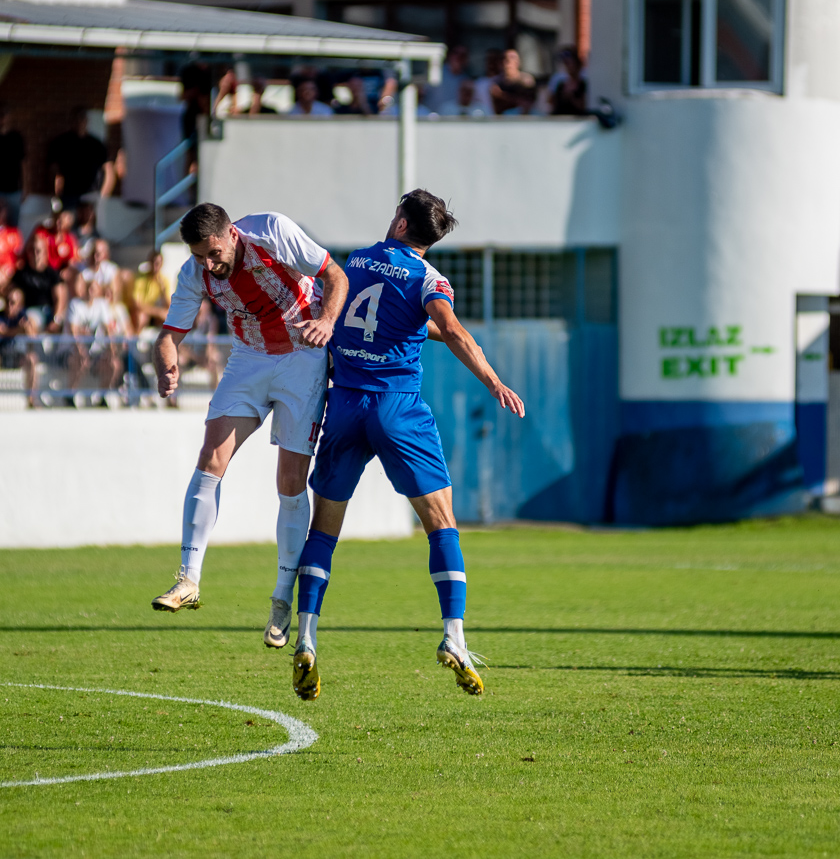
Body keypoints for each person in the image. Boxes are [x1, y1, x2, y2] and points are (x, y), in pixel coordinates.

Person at [285, 190, 523, 701]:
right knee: (442, 521)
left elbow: (382, 318)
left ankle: (306, 637)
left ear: (399, 223)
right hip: (397, 408)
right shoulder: (429, 279)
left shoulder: (356, 261)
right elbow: (454, 330)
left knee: (324, 527)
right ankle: (455, 638)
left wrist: (424, 329)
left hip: (345, 404)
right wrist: (493, 380)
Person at [148, 204, 350, 624]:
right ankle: (188, 579)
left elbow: (336, 276)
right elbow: (168, 336)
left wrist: (328, 321)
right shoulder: (194, 272)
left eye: (213, 253)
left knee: (290, 481)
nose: (208, 264)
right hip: (249, 359)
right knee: (210, 458)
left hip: (303, 356)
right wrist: (166, 364)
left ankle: (282, 598)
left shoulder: (272, 232)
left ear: (231, 235)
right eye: (199, 256)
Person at [47, 107, 112, 208]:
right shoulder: (61, 142)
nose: (79, 123)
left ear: (86, 121)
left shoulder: (96, 144)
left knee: (88, 218)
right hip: (68, 194)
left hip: (90, 194)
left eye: (82, 119)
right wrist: (54, 193)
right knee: (67, 217)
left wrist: (103, 195)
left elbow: (109, 170)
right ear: (71, 121)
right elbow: (53, 170)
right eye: (76, 119)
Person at [425, 45, 473, 115]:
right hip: (431, 117)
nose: (459, 57)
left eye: (463, 55)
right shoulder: (436, 72)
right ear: (449, 55)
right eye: (456, 53)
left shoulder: (466, 79)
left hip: (451, 119)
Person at [490, 49, 538, 115]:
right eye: (504, 59)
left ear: (518, 62)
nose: (506, 63)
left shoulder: (526, 80)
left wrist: (503, 96)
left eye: (512, 59)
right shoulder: (495, 82)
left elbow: (526, 102)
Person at [548, 46, 589, 116]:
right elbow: (551, 102)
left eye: (569, 63)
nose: (568, 67)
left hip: (578, 119)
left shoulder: (585, 81)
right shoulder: (559, 81)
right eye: (565, 63)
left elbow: (585, 106)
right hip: (560, 119)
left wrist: (571, 97)